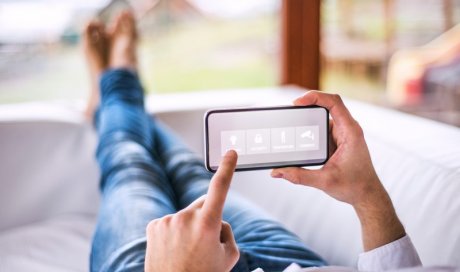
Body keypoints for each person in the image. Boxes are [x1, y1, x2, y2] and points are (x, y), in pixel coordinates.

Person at [83, 11, 456, 272]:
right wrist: (368, 193)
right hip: (292, 263)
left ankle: (116, 90)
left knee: (130, 165)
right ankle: (118, 94)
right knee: (189, 170)